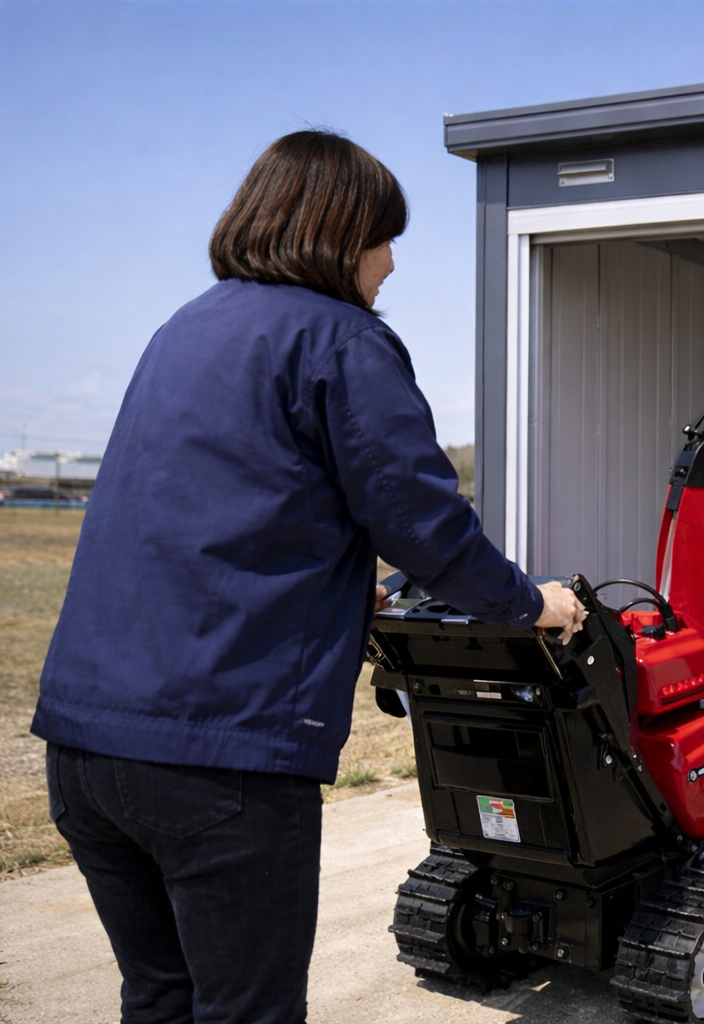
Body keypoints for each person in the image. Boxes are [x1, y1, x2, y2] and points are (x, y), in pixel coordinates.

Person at [30, 130, 585, 1024]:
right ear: (339, 234)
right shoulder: (342, 341)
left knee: (161, 998)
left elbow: (210, 517)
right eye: (385, 239)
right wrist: (533, 604)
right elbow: (426, 528)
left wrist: (340, 592)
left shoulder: (183, 329)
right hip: (219, 757)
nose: (392, 264)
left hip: (85, 747)